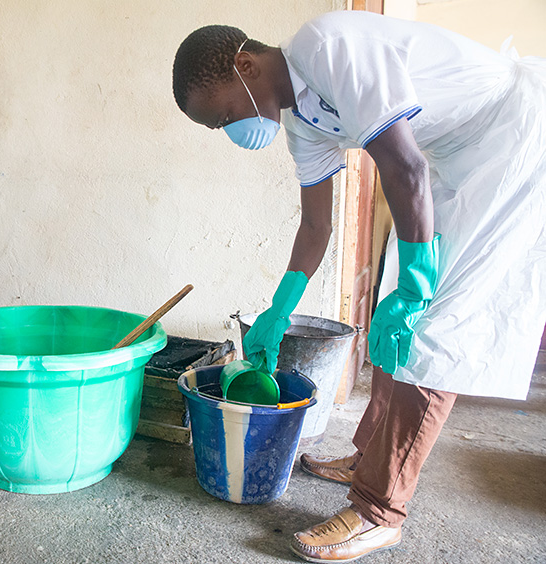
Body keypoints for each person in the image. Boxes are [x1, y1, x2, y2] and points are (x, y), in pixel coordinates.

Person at [173, 11, 546, 563]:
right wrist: (279, 309)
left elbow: (406, 170)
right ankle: (372, 454)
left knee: (433, 326)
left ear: (246, 65)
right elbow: (316, 225)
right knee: (396, 301)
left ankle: (378, 511)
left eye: (223, 114)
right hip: (450, 155)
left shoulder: (329, 47)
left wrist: (419, 287)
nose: (230, 130)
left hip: (511, 139)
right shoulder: (303, 125)